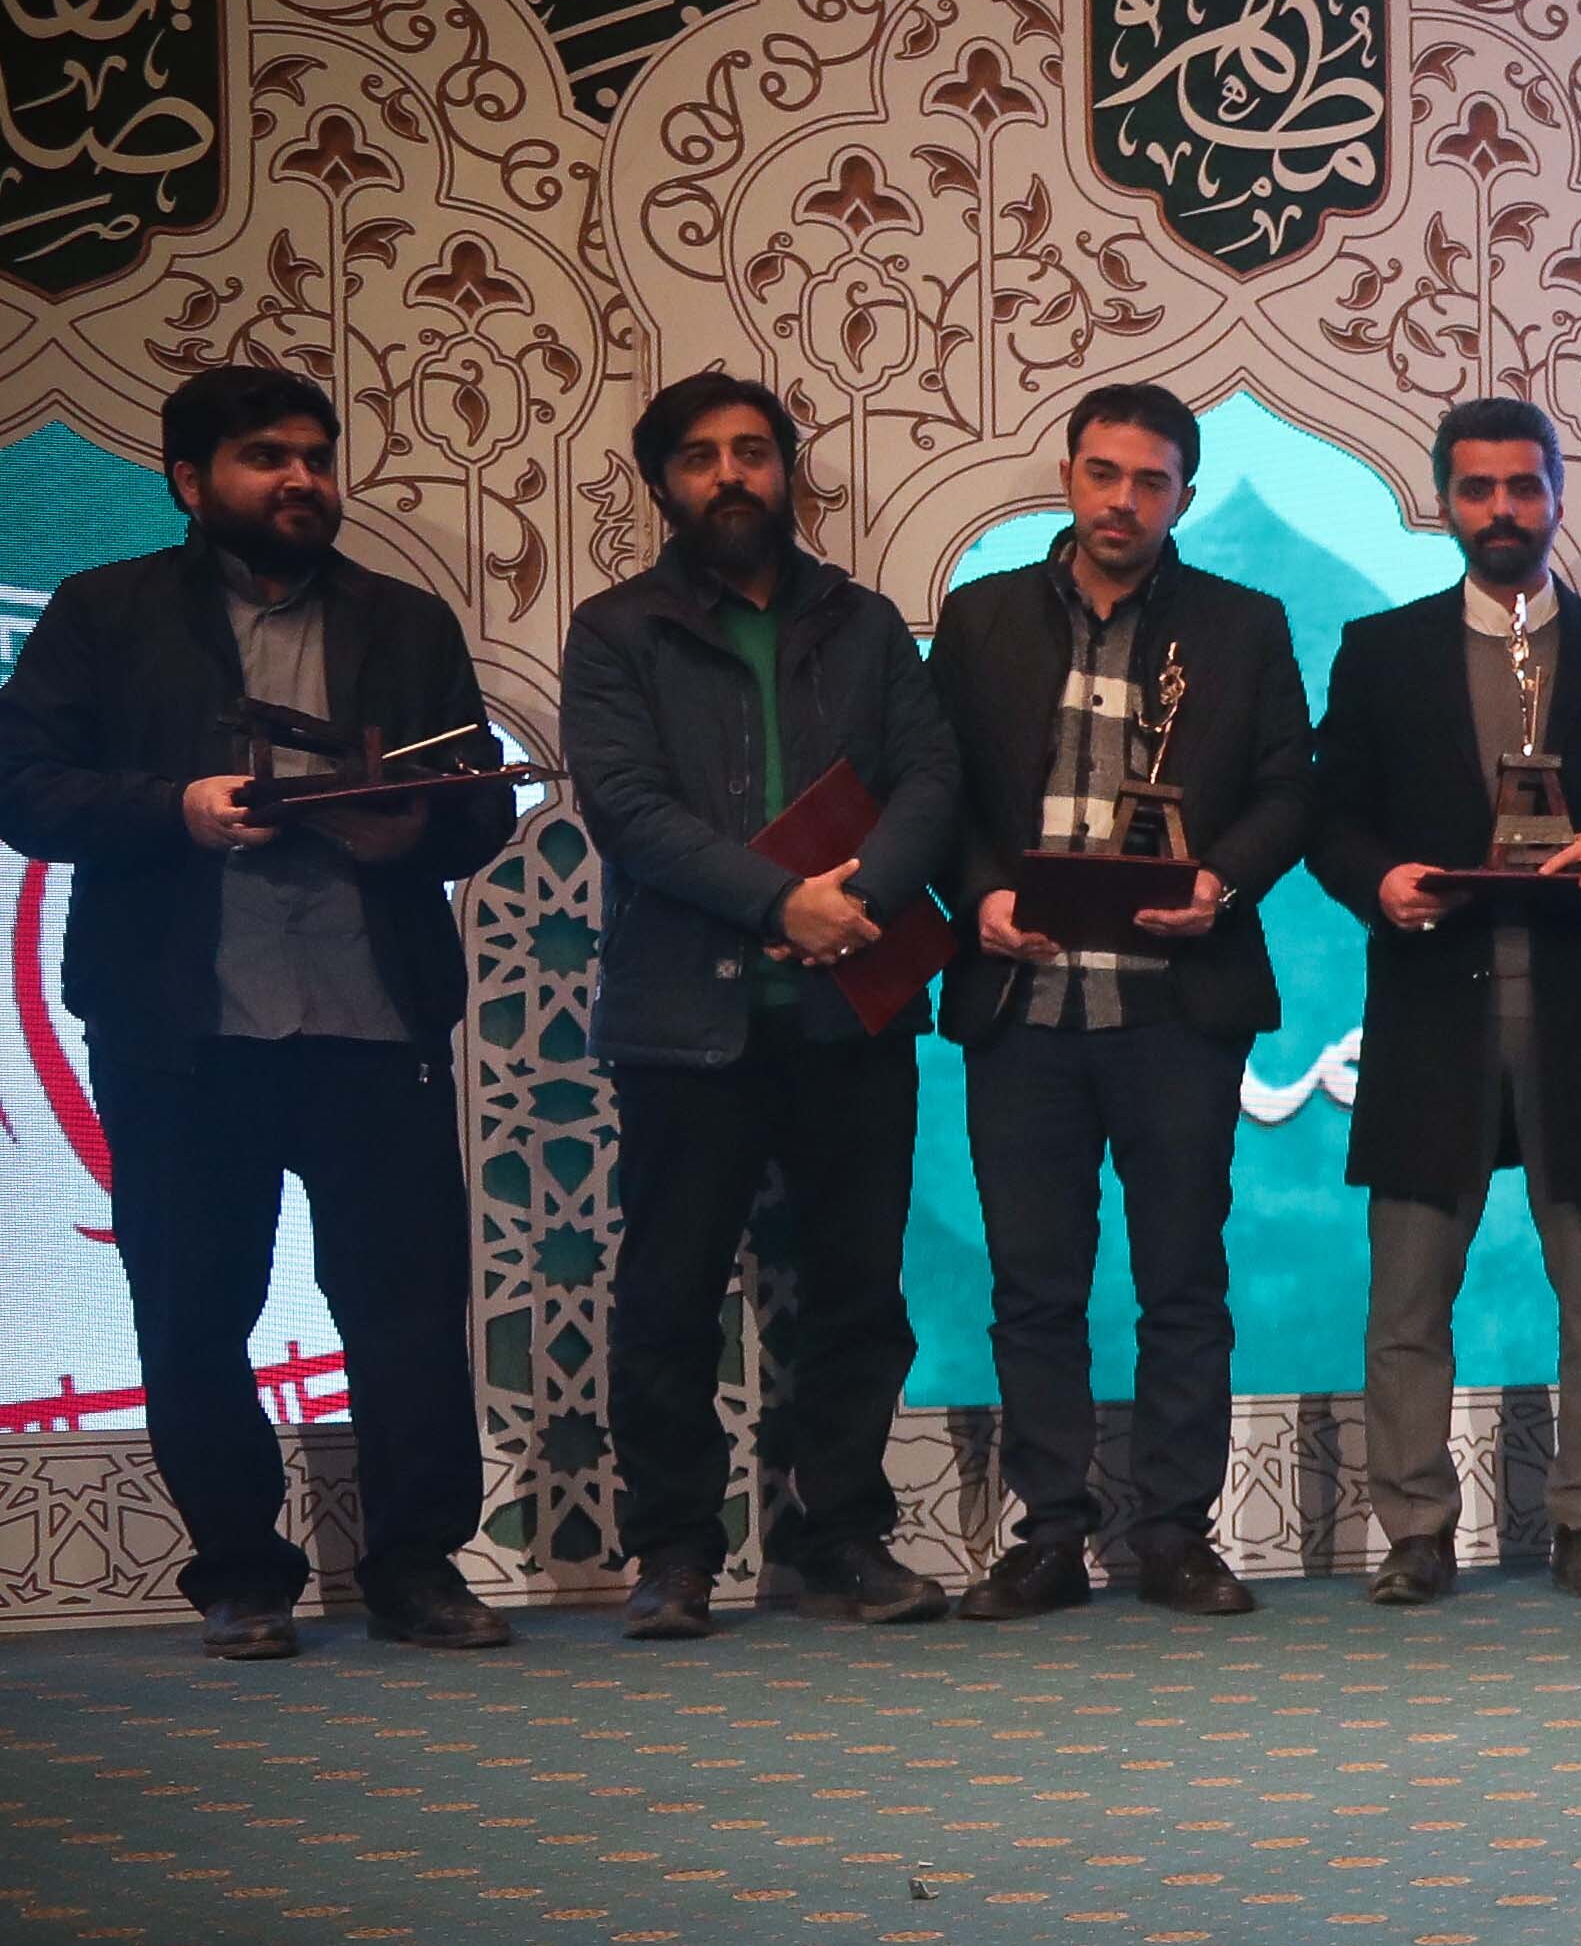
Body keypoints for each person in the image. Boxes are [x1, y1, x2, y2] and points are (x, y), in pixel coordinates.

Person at [0, 364, 524, 1654]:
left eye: (315, 457)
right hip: (182, 1032)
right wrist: (172, 808)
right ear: (189, 482)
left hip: (373, 1020)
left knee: (407, 1315)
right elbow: (24, 788)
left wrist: (414, 831)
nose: (300, 479)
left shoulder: (403, 621)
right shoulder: (104, 612)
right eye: (265, 458)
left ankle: (416, 1568)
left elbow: (476, 803)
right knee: (191, 1309)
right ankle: (241, 1570)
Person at [554, 370, 964, 1638]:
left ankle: (844, 1537)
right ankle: (675, 1552)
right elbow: (628, 808)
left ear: (788, 469)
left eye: (751, 451)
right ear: (662, 484)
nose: (729, 475)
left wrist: (859, 900)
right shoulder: (617, 631)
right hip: (687, 1020)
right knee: (668, 1296)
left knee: (859, 1294)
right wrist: (781, 901)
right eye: (700, 457)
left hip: (852, 1012)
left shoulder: (865, 622)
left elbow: (931, 778)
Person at [1310, 393, 1581, 1605]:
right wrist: (1378, 879)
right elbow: (1330, 818)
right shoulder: (1382, 651)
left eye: (1523, 487)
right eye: (1478, 489)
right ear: (1445, 501)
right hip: (1433, 1007)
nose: (1502, 510)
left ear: (1556, 496)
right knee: (1406, 1297)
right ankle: (1417, 1531)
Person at [928, 379, 1313, 1620]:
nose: (1123, 500)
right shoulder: (981, 617)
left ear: (1182, 497)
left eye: (1151, 481)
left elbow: (1289, 790)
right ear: (1068, 476)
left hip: (1174, 1011)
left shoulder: (1243, 624)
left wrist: (1222, 881)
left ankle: (1174, 1535)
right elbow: (934, 791)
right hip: (1022, 1006)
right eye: (1104, 473)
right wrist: (979, 898)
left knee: (1182, 1286)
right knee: (1033, 1289)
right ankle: (1049, 1534)